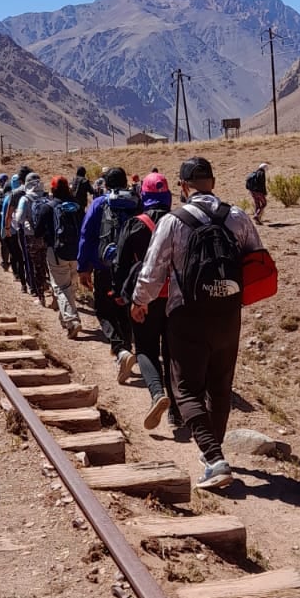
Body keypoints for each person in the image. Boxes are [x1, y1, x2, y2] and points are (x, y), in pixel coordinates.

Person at [130, 156, 262, 491]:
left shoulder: (174, 221)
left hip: (186, 313)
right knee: (219, 386)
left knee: (185, 388)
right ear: (213, 183)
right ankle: (212, 454)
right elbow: (256, 258)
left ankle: (215, 459)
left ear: (183, 186)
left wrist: (139, 302)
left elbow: (153, 268)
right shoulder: (237, 216)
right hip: (229, 313)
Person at [113, 171, 180, 429]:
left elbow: (120, 263)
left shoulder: (135, 224)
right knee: (173, 352)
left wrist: (121, 294)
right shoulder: (180, 222)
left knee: (145, 349)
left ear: (144, 196)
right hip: (176, 298)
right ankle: (176, 412)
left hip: (145, 298)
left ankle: (156, 393)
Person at [77, 167, 140, 373]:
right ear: (126, 182)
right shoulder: (136, 202)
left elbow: (86, 236)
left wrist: (83, 267)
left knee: (104, 310)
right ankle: (127, 348)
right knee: (124, 308)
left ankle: (120, 350)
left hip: (104, 265)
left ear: (106, 184)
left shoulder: (99, 203)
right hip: (131, 267)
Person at [46, 176, 83, 337]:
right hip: (77, 252)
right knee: (70, 285)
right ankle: (64, 316)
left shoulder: (48, 207)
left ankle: (72, 320)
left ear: (53, 189)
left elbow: (38, 229)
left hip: (57, 253)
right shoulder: (77, 206)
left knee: (61, 287)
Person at [14, 173, 52, 304]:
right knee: (49, 264)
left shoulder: (25, 199)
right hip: (47, 236)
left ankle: (41, 296)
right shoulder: (47, 196)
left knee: (37, 266)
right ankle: (55, 294)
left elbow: (19, 219)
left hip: (31, 236)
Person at [0, 173, 26, 287]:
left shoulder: (8, 198)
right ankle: (23, 279)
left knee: (16, 255)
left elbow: (5, 215)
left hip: (11, 231)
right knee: (22, 256)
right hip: (22, 230)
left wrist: (4, 231)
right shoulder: (23, 194)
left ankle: (19, 277)